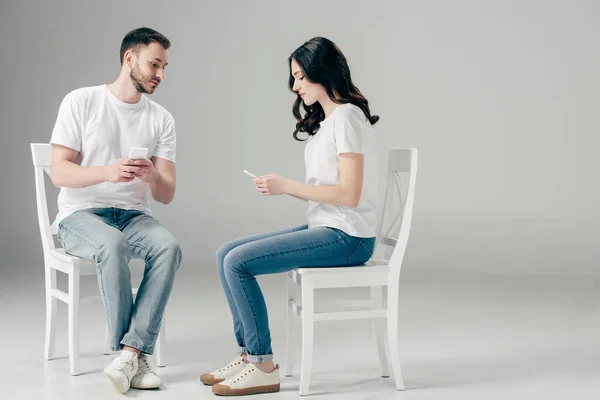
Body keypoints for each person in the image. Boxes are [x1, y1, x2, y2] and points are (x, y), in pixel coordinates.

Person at [201, 36, 380, 396]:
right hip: (329, 227)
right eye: (294, 78)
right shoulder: (329, 120)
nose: (295, 87)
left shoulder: (346, 117)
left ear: (322, 73)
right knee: (225, 254)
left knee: (238, 262)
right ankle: (249, 356)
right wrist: (285, 186)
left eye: (300, 77)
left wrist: (288, 186)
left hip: (349, 237)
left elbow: (349, 194)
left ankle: (262, 365)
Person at [49, 27, 181, 394]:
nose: (160, 74)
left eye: (164, 66)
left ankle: (129, 353)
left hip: (133, 215)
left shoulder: (161, 119)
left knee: (169, 247)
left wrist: (153, 175)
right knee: (113, 245)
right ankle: (133, 358)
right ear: (129, 59)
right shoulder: (81, 101)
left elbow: (167, 194)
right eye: (155, 64)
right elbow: (59, 171)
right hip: (81, 215)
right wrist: (107, 172)